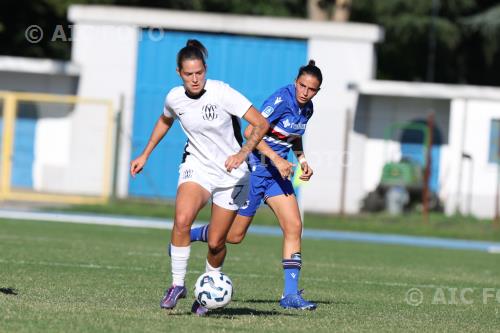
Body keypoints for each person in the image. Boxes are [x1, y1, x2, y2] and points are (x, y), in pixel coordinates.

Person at [130, 39, 269, 316]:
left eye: (199, 73)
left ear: (205, 69)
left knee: (218, 242)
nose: (195, 79)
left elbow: (261, 123)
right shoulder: (174, 97)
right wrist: (145, 154)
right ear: (179, 73)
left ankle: (207, 291)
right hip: (198, 167)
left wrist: (242, 153)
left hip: (233, 174)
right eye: (188, 74)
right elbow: (165, 119)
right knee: (182, 219)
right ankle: (177, 284)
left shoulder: (222, 93)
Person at [190, 60, 323, 310]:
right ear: (296, 82)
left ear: (317, 91)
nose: (305, 92)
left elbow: (292, 136)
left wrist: (302, 160)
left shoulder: (308, 108)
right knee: (234, 236)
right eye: (302, 86)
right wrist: (276, 159)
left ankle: (290, 296)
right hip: (256, 169)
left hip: (277, 173)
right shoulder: (281, 100)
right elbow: (253, 130)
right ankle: (192, 234)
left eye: (311, 89)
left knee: (294, 226)